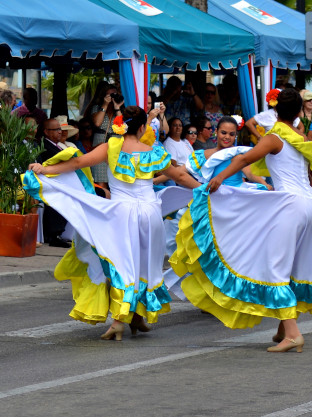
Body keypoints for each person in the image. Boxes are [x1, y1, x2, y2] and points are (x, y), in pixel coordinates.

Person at [175, 90, 312, 352]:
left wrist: (219, 178)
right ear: (297, 112)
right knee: (294, 265)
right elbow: (310, 176)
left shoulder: (275, 137)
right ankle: (283, 327)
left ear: (275, 111)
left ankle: (293, 333)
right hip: (311, 206)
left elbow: (245, 158)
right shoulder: (300, 138)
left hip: (291, 205)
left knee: (275, 266)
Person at [24, 106, 199, 340]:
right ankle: (136, 317)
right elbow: (179, 176)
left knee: (122, 265)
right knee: (145, 265)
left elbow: (78, 164)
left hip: (121, 213)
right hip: (149, 213)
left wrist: (45, 168)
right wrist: (206, 189)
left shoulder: (110, 147)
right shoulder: (152, 151)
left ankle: (120, 320)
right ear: (142, 127)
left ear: (121, 125)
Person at [37, 118, 70, 247]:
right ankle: (54, 234)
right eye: (56, 129)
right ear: (46, 131)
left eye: (60, 129)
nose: (60, 132)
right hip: (51, 180)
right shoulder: (44, 145)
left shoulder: (58, 145)